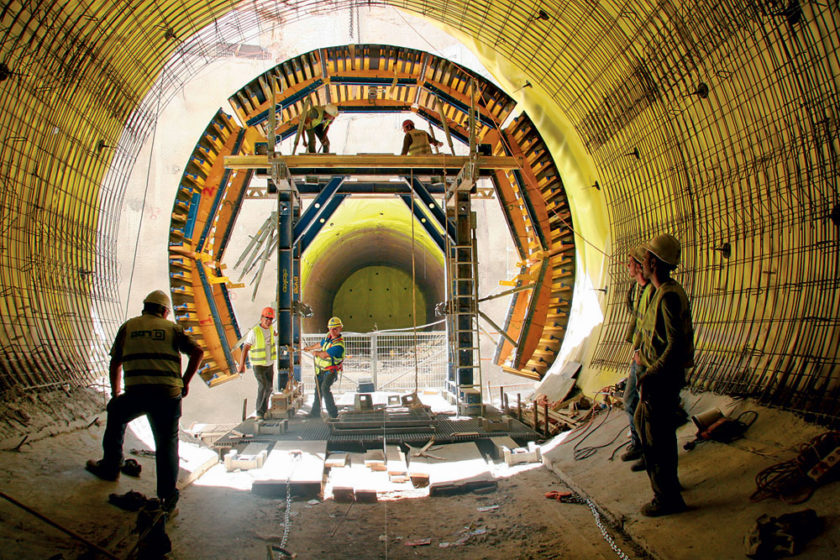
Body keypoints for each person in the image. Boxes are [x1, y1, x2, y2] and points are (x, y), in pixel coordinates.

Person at [86, 290, 203, 514]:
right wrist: (184, 382)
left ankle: (110, 466)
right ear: (164, 311)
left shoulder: (129, 327)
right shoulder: (172, 329)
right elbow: (197, 352)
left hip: (136, 393)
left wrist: (115, 393)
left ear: (145, 307)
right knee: (167, 444)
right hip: (167, 396)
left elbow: (115, 363)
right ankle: (167, 500)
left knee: (116, 413)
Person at [633, 233, 694, 517]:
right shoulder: (661, 292)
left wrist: (651, 374)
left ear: (654, 262)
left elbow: (676, 344)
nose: (642, 262)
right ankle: (670, 487)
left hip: (661, 379)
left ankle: (666, 499)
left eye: (645, 258)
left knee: (656, 440)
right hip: (658, 376)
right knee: (659, 436)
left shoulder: (668, 296)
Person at [621, 246, 654, 466]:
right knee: (631, 401)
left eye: (630, 262)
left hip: (648, 359)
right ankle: (639, 444)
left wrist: (643, 354)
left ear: (640, 266)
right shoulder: (639, 290)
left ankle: (647, 450)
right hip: (639, 355)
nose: (627, 266)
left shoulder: (654, 292)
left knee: (641, 405)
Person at [237, 306, 278, 420]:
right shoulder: (254, 332)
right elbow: (245, 348)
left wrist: (276, 334)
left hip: (269, 364)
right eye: (266, 318)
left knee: (269, 388)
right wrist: (242, 365)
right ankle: (259, 413)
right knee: (263, 386)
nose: (268, 321)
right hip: (259, 365)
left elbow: (274, 333)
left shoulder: (270, 329)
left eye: (270, 319)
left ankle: (264, 410)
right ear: (261, 318)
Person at [303, 316, 345, 419]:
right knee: (318, 390)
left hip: (330, 371)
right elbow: (321, 344)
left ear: (340, 328)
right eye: (330, 328)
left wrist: (316, 353)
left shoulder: (338, 345)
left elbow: (324, 354)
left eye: (335, 328)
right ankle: (315, 412)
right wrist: (309, 348)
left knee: (324, 389)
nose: (332, 331)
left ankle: (333, 414)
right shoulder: (329, 337)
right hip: (321, 370)